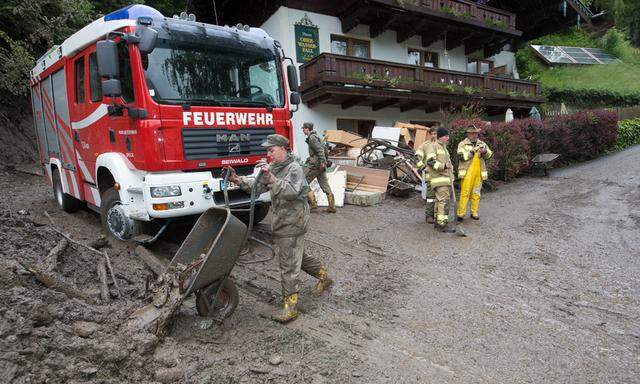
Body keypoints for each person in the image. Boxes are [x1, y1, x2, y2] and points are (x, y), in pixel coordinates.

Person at [226, 134, 333, 323]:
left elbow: (292, 191)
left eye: (271, 150)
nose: (268, 154)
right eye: (267, 150)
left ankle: (290, 307)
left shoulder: (294, 168)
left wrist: (271, 178)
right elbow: (256, 189)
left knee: (288, 265)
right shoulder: (274, 167)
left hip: (293, 222)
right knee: (298, 256)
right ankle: (324, 276)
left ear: (283, 149)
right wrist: (237, 180)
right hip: (282, 221)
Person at [456, 124, 493, 221]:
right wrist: (472, 152)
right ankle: (461, 214)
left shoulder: (482, 144)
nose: (474, 135)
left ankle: (474, 212)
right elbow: (461, 157)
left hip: (478, 173)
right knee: (465, 193)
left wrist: (485, 152)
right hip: (467, 173)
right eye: (472, 133)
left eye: (476, 133)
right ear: (468, 134)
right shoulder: (462, 144)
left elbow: (489, 155)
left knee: (476, 193)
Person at [424, 128, 455, 232]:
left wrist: (451, 170)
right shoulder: (433, 146)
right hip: (439, 179)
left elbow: (448, 164)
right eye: (446, 136)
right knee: (444, 202)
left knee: (439, 202)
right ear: (441, 136)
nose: (448, 138)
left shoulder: (444, 148)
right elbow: (430, 161)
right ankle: (442, 225)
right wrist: (444, 166)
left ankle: (438, 223)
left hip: (445, 179)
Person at [302, 122, 336, 213]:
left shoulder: (312, 138)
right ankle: (332, 206)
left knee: (303, 182)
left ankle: (313, 204)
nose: (302, 130)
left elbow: (320, 150)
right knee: (325, 185)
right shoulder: (316, 136)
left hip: (316, 165)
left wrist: (322, 163)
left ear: (307, 129)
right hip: (320, 165)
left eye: (303, 129)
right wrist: (323, 163)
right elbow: (324, 150)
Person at [415, 127, 436, 224]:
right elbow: (417, 158)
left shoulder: (442, 145)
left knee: (441, 198)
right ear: (429, 134)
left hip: (441, 176)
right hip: (430, 176)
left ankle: (439, 217)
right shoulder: (424, 145)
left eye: (436, 134)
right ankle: (429, 216)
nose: (434, 136)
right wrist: (423, 168)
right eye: (433, 133)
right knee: (431, 197)